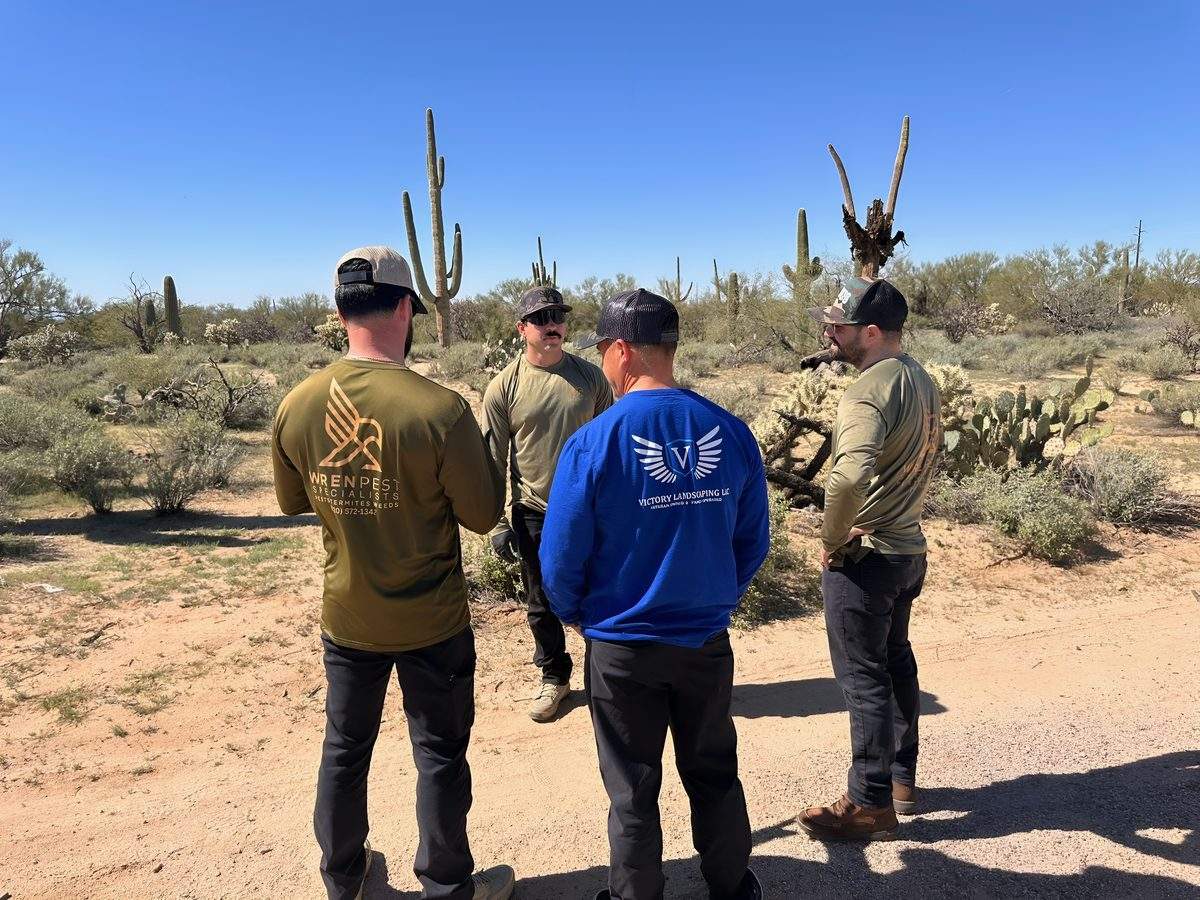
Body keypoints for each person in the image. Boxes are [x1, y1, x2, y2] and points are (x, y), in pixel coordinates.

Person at [271, 246, 516, 900]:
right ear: (407, 307)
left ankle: (343, 878)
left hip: (348, 616)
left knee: (344, 750)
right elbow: (482, 515)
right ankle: (447, 886)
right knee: (438, 756)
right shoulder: (441, 410)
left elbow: (293, 501)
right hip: (432, 621)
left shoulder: (297, 405)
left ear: (339, 313)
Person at [540, 289, 769, 900]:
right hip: (704, 641)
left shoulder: (593, 443)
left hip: (622, 647)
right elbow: (752, 541)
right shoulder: (730, 431)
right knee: (714, 771)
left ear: (621, 351)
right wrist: (716, 598)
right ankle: (732, 886)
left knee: (632, 788)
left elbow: (560, 558)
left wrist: (578, 614)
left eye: (602, 352)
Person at [797, 277, 942, 842]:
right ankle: (901, 780)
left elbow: (849, 475)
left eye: (839, 325)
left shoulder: (866, 391)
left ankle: (868, 803)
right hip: (907, 550)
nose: (830, 334)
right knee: (895, 661)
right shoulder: (921, 379)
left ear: (873, 332)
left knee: (863, 679)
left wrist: (833, 537)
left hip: (867, 556)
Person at [482, 285, 612, 722]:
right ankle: (554, 677)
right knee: (541, 601)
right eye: (540, 318)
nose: (551, 325)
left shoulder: (590, 378)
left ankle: (604, 677)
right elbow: (493, 458)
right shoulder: (504, 387)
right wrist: (497, 522)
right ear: (522, 328)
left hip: (588, 508)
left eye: (557, 317)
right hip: (533, 509)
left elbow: (609, 446)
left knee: (597, 592)